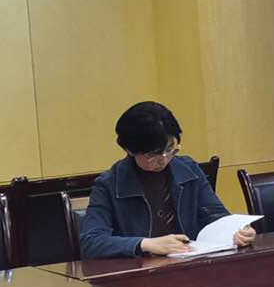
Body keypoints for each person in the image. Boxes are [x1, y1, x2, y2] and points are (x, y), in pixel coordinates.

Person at [81, 102, 255, 259]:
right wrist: (146, 244)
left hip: (191, 265)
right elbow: (90, 242)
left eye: (171, 149)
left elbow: (218, 217)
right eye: (153, 154)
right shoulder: (109, 184)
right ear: (129, 150)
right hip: (140, 272)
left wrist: (238, 231)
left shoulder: (189, 170)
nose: (163, 159)